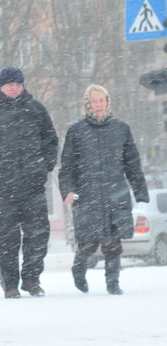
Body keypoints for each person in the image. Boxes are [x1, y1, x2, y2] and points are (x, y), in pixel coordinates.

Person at [0, 66, 59, 299]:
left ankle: (31, 280)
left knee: (37, 236)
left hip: (32, 187)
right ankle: (10, 284)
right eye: (10, 84)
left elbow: (50, 140)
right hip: (0, 190)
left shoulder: (36, 109)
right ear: (1, 86)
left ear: (23, 85)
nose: (14, 87)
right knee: (6, 239)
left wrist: (43, 167)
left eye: (18, 83)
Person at [59, 84, 149, 295]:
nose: (98, 105)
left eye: (101, 100)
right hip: (87, 194)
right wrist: (68, 191)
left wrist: (140, 192)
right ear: (87, 104)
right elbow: (67, 167)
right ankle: (79, 268)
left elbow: (132, 164)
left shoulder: (121, 129)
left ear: (107, 102)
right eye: (94, 101)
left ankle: (113, 283)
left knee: (113, 242)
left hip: (115, 193)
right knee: (88, 242)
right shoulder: (77, 131)